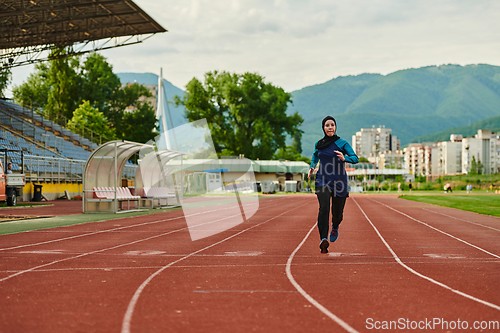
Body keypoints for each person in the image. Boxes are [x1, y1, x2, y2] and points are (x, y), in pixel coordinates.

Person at [308, 116, 359, 254]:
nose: (330, 127)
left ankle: (335, 225)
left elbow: (355, 158)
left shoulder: (342, 143)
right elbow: (315, 156)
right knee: (324, 207)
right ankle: (323, 239)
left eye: (332, 125)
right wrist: (312, 167)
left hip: (339, 182)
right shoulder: (319, 144)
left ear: (335, 127)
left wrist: (345, 158)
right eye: (327, 125)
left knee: (337, 214)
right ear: (323, 128)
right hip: (322, 179)